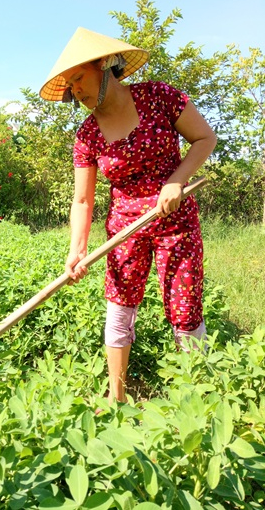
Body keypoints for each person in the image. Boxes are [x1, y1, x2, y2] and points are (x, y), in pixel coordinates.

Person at [39, 27, 217, 404]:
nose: (76, 92)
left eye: (79, 79)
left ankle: (197, 401)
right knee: (119, 308)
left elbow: (205, 138)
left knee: (185, 309)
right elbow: (83, 201)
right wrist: (77, 250)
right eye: (70, 86)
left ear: (104, 65)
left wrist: (176, 181)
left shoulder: (158, 97)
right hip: (125, 229)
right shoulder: (87, 135)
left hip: (175, 222)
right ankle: (116, 396)